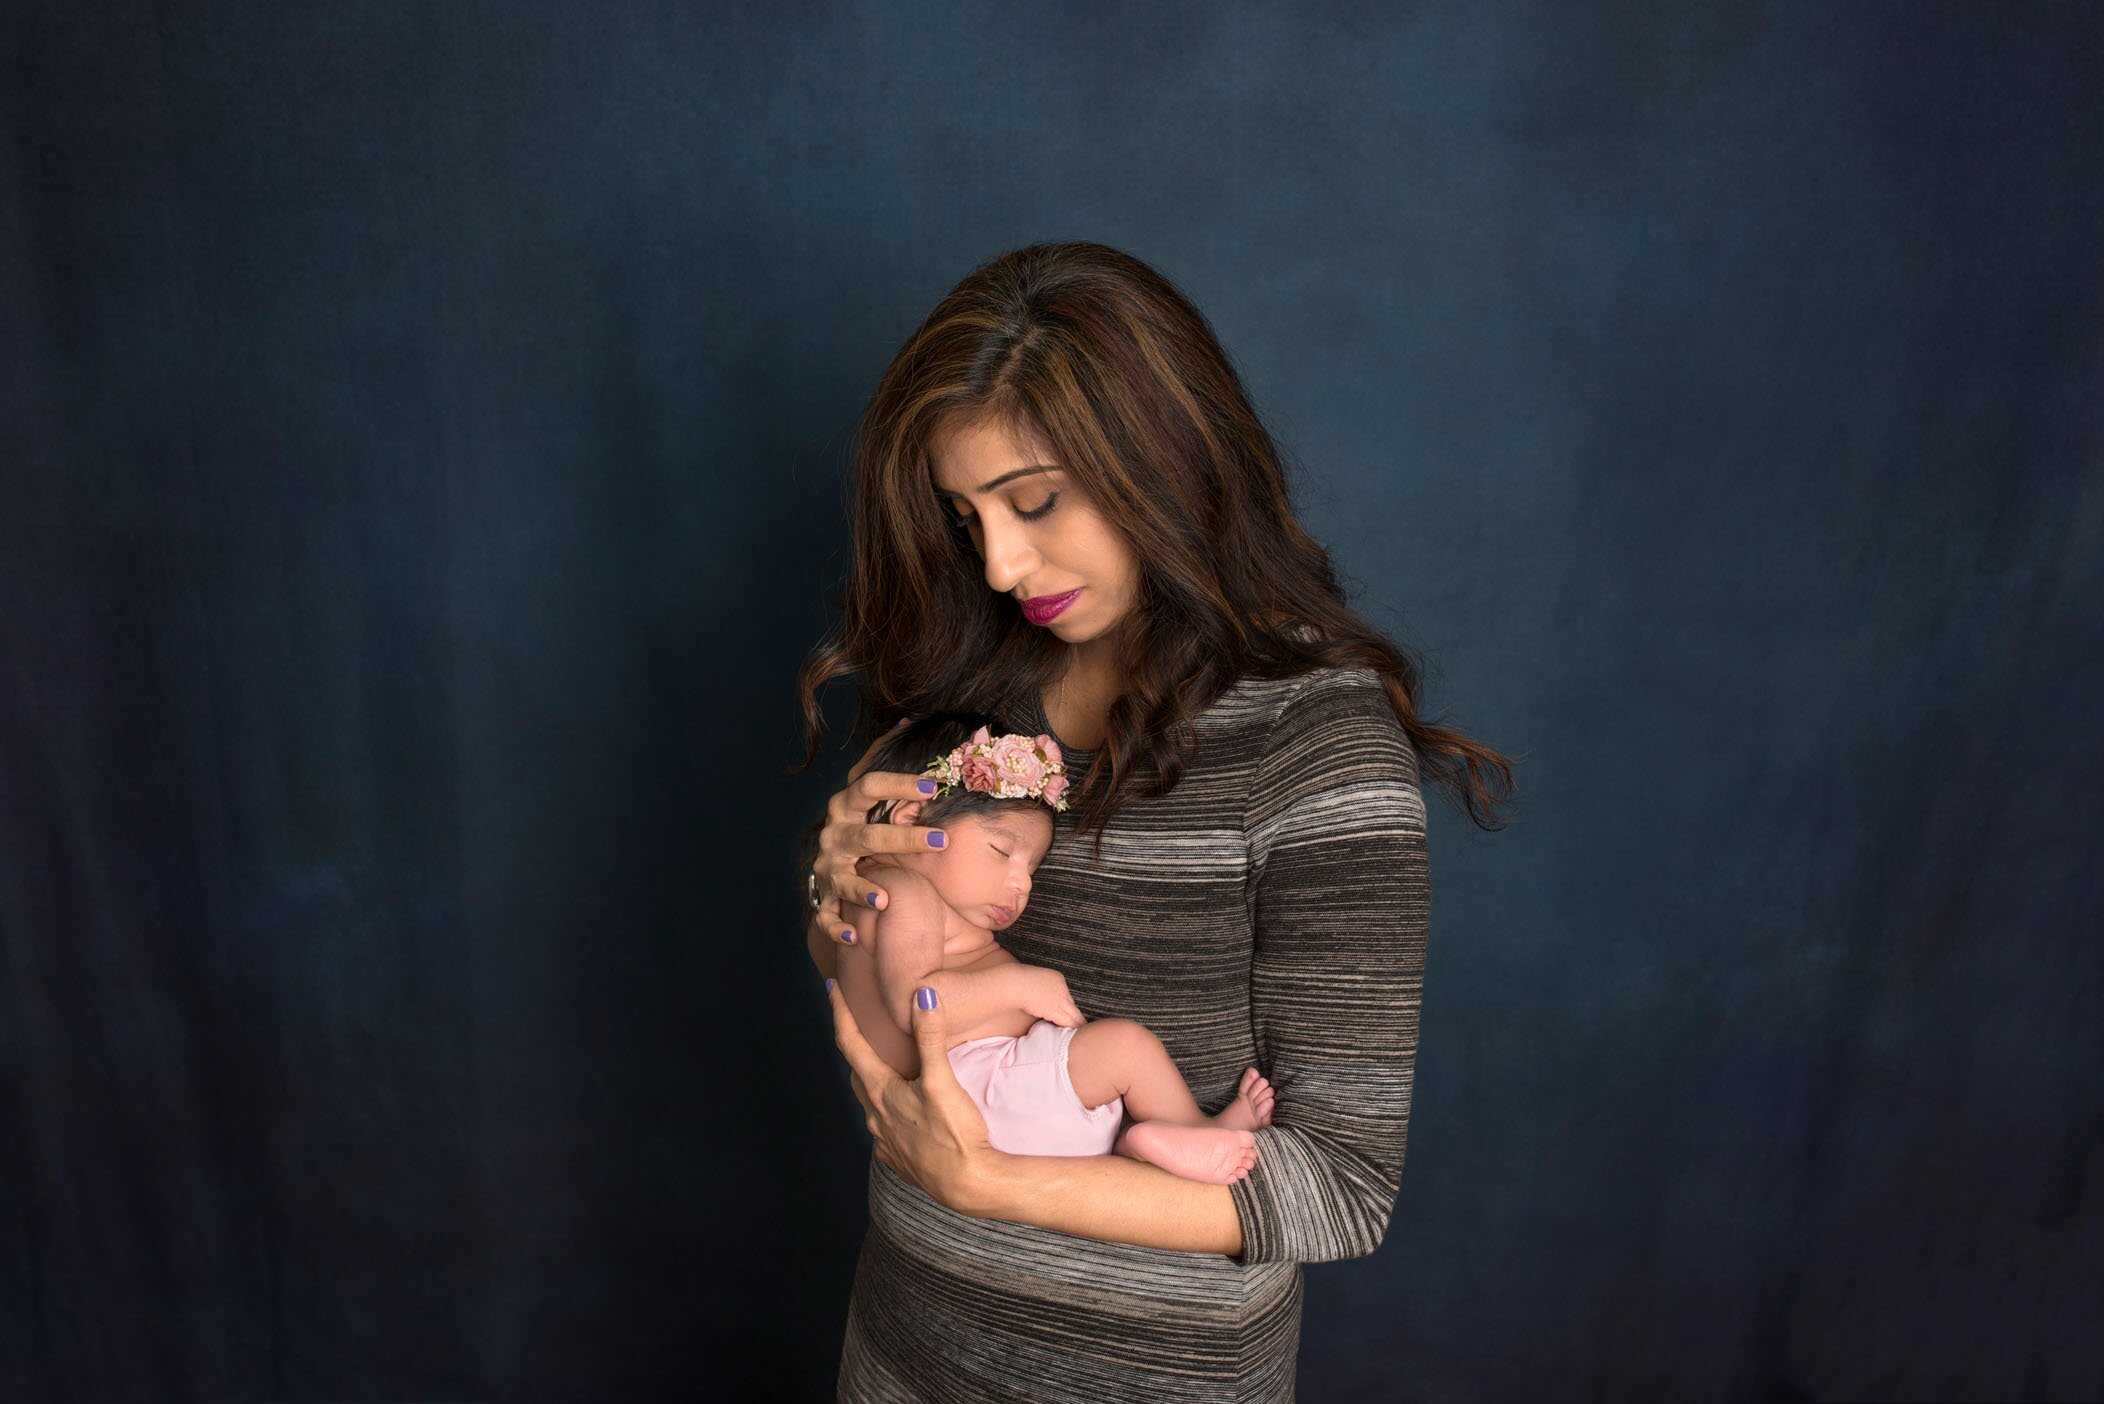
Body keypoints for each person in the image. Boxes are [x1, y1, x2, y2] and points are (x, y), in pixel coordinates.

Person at [792, 241, 1512, 1402]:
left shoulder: (1312, 744)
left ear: (1163, 461)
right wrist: (842, 894)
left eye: (1034, 502)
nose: (1002, 563)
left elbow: (1340, 1187)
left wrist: (985, 1184)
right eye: (964, 518)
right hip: (904, 1355)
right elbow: (873, 973)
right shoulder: (970, 694)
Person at [834, 712, 1275, 1182]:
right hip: (980, 1092)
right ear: (913, 819)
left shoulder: (855, 893)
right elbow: (914, 1006)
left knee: (1102, 1064)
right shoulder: (903, 891)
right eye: (1002, 851)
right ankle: (1192, 1129)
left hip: (996, 1099)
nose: (1020, 885)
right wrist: (1021, 986)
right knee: (1126, 1048)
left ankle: (1140, 1146)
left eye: (1032, 868)